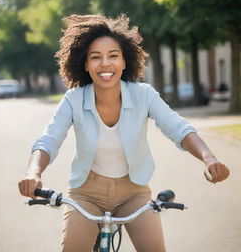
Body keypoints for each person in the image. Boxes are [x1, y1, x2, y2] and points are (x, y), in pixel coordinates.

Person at [18, 14, 230, 252]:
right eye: (96, 57)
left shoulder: (144, 94)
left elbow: (178, 128)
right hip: (85, 193)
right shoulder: (73, 99)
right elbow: (49, 139)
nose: (105, 64)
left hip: (134, 192)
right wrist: (33, 171)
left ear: (124, 62)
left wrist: (208, 157)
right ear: (85, 64)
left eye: (113, 56)